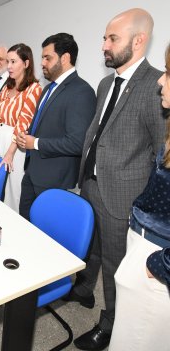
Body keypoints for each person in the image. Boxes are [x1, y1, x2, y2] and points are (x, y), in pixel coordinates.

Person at [68, 8, 166, 351]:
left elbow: (160, 153)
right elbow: (98, 133)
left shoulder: (154, 86)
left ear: (138, 41)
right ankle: (83, 289)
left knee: (114, 265)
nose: (104, 46)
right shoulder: (106, 82)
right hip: (91, 184)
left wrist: (143, 204)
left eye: (113, 39)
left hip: (123, 196)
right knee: (90, 249)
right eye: (105, 38)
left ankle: (110, 324)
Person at [108, 44, 170, 351]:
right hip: (143, 238)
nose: (162, 80)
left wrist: (160, 266)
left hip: (157, 261)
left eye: (169, 73)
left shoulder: (148, 86)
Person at [16, 33, 96, 220]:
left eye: (47, 58)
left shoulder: (81, 91)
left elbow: (77, 143)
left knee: (45, 233)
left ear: (65, 58)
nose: (42, 62)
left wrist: (35, 143)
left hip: (54, 180)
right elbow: (44, 126)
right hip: (32, 172)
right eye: (42, 57)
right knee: (25, 224)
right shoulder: (48, 88)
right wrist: (26, 136)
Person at [0, 43, 42, 212]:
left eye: (13, 62)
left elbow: (23, 124)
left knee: (13, 189)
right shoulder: (7, 86)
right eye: (8, 62)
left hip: (16, 144)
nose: (9, 66)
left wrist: (10, 153)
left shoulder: (34, 89)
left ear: (26, 64)